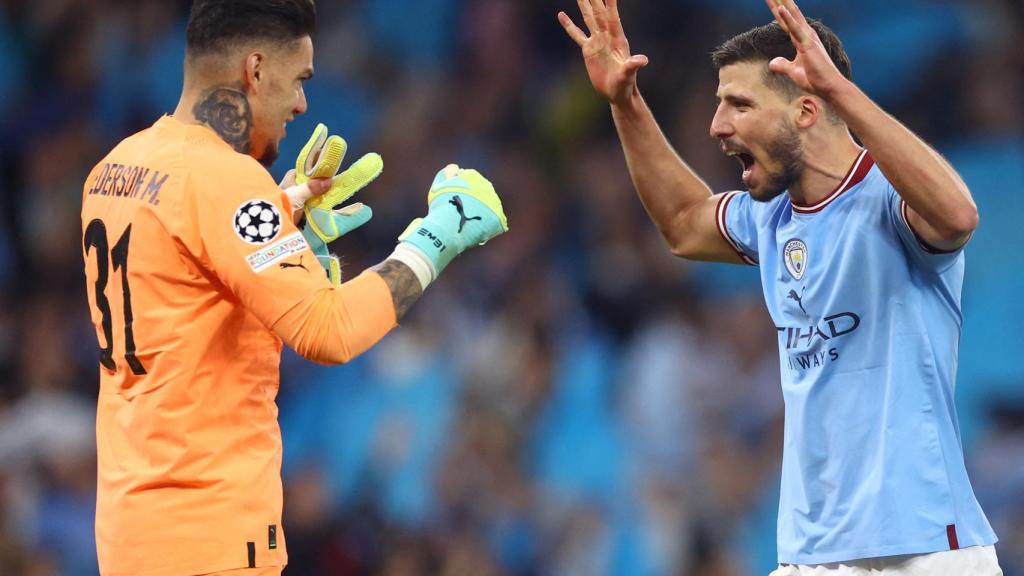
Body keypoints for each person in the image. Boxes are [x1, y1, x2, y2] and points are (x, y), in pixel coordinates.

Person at [559, 0, 1000, 574]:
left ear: (808, 109)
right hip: (811, 553)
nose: (717, 126)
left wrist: (842, 92)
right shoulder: (771, 218)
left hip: (923, 548)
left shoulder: (890, 198)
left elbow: (958, 216)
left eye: (739, 104)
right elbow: (685, 223)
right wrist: (626, 103)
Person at [80, 1, 507, 575]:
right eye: (300, 78)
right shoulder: (226, 180)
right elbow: (328, 331)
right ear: (255, 69)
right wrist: (436, 238)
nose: (303, 103)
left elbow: (185, 289)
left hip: (132, 530)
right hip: (212, 536)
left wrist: (280, 217)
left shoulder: (115, 168)